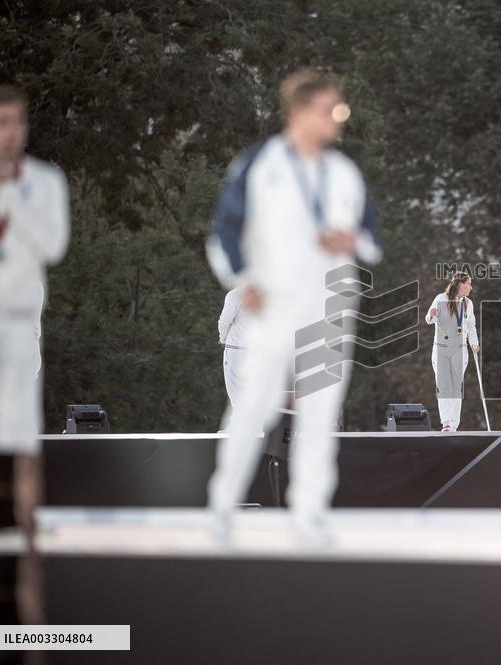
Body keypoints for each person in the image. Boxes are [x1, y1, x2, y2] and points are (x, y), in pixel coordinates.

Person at [205, 68, 382, 537]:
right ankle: (222, 506)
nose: (339, 119)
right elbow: (224, 232)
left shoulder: (344, 173)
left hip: (329, 304)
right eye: (331, 110)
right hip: (277, 304)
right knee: (254, 405)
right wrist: (243, 280)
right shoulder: (259, 165)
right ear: (301, 112)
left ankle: (309, 512)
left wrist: (353, 240)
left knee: (322, 409)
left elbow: (372, 238)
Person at [0, 85, 70, 538]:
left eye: (19, 122)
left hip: (18, 320)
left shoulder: (45, 182)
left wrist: (14, 203)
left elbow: (53, 246)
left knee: (21, 431)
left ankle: (26, 520)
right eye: (2, 122)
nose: (13, 132)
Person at [425, 271, 480, 432]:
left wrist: (474, 343)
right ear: (461, 284)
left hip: (460, 349)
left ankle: (454, 424)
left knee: (456, 387)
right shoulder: (441, 298)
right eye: (469, 283)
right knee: (444, 386)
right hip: (441, 348)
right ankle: (446, 423)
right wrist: (432, 314)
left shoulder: (468, 303)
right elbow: (428, 319)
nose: (471, 287)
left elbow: (471, 326)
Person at [217, 285, 248, 427]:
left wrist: (222, 338)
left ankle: (239, 426)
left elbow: (224, 321)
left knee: (235, 388)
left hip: (236, 348)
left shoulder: (235, 294)